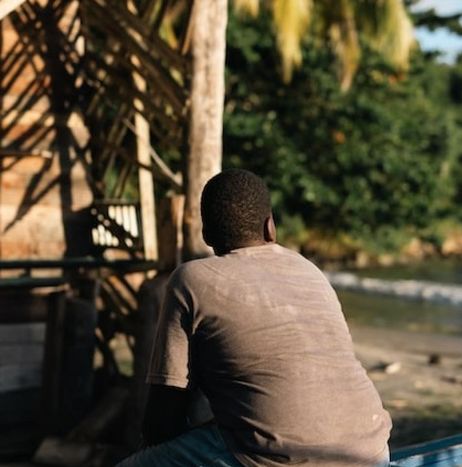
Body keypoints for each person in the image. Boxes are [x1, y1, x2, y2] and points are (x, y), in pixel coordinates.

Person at [118, 169, 392, 467]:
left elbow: (162, 419)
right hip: (372, 451)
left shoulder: (191, 279)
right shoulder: (309, 271)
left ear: (206, 235)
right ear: (270, 227)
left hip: (275, 459)